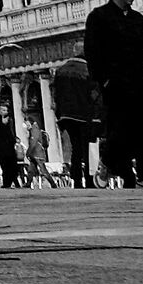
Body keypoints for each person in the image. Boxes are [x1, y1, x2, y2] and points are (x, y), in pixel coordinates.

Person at [83, 0, 143, 187]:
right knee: (120, 130)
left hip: (139, 81)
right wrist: (103, 80)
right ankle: (107, 162)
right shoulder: (99, 16)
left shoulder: (138, 19)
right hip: (115, 83)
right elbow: (92, 51)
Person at [51, 56, 98, 187]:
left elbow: (55, 94)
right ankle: (89, 179)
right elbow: (94, 93)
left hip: (66, 116)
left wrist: (59, 114)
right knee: (88, 147)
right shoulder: (88, 70)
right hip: (84, 114)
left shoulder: (61, 70)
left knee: (75, 148)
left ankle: (77, 179)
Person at [0, 103, 21, 188]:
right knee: (5, 166)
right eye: (3, 110)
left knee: (13, 166)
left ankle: (13, 182)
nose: (5, 112)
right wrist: (2, 124)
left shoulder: (9, 119)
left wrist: (14, 140)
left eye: (6, 110)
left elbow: (10, 132)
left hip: (10, 147)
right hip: (1, 148)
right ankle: (7, 184)